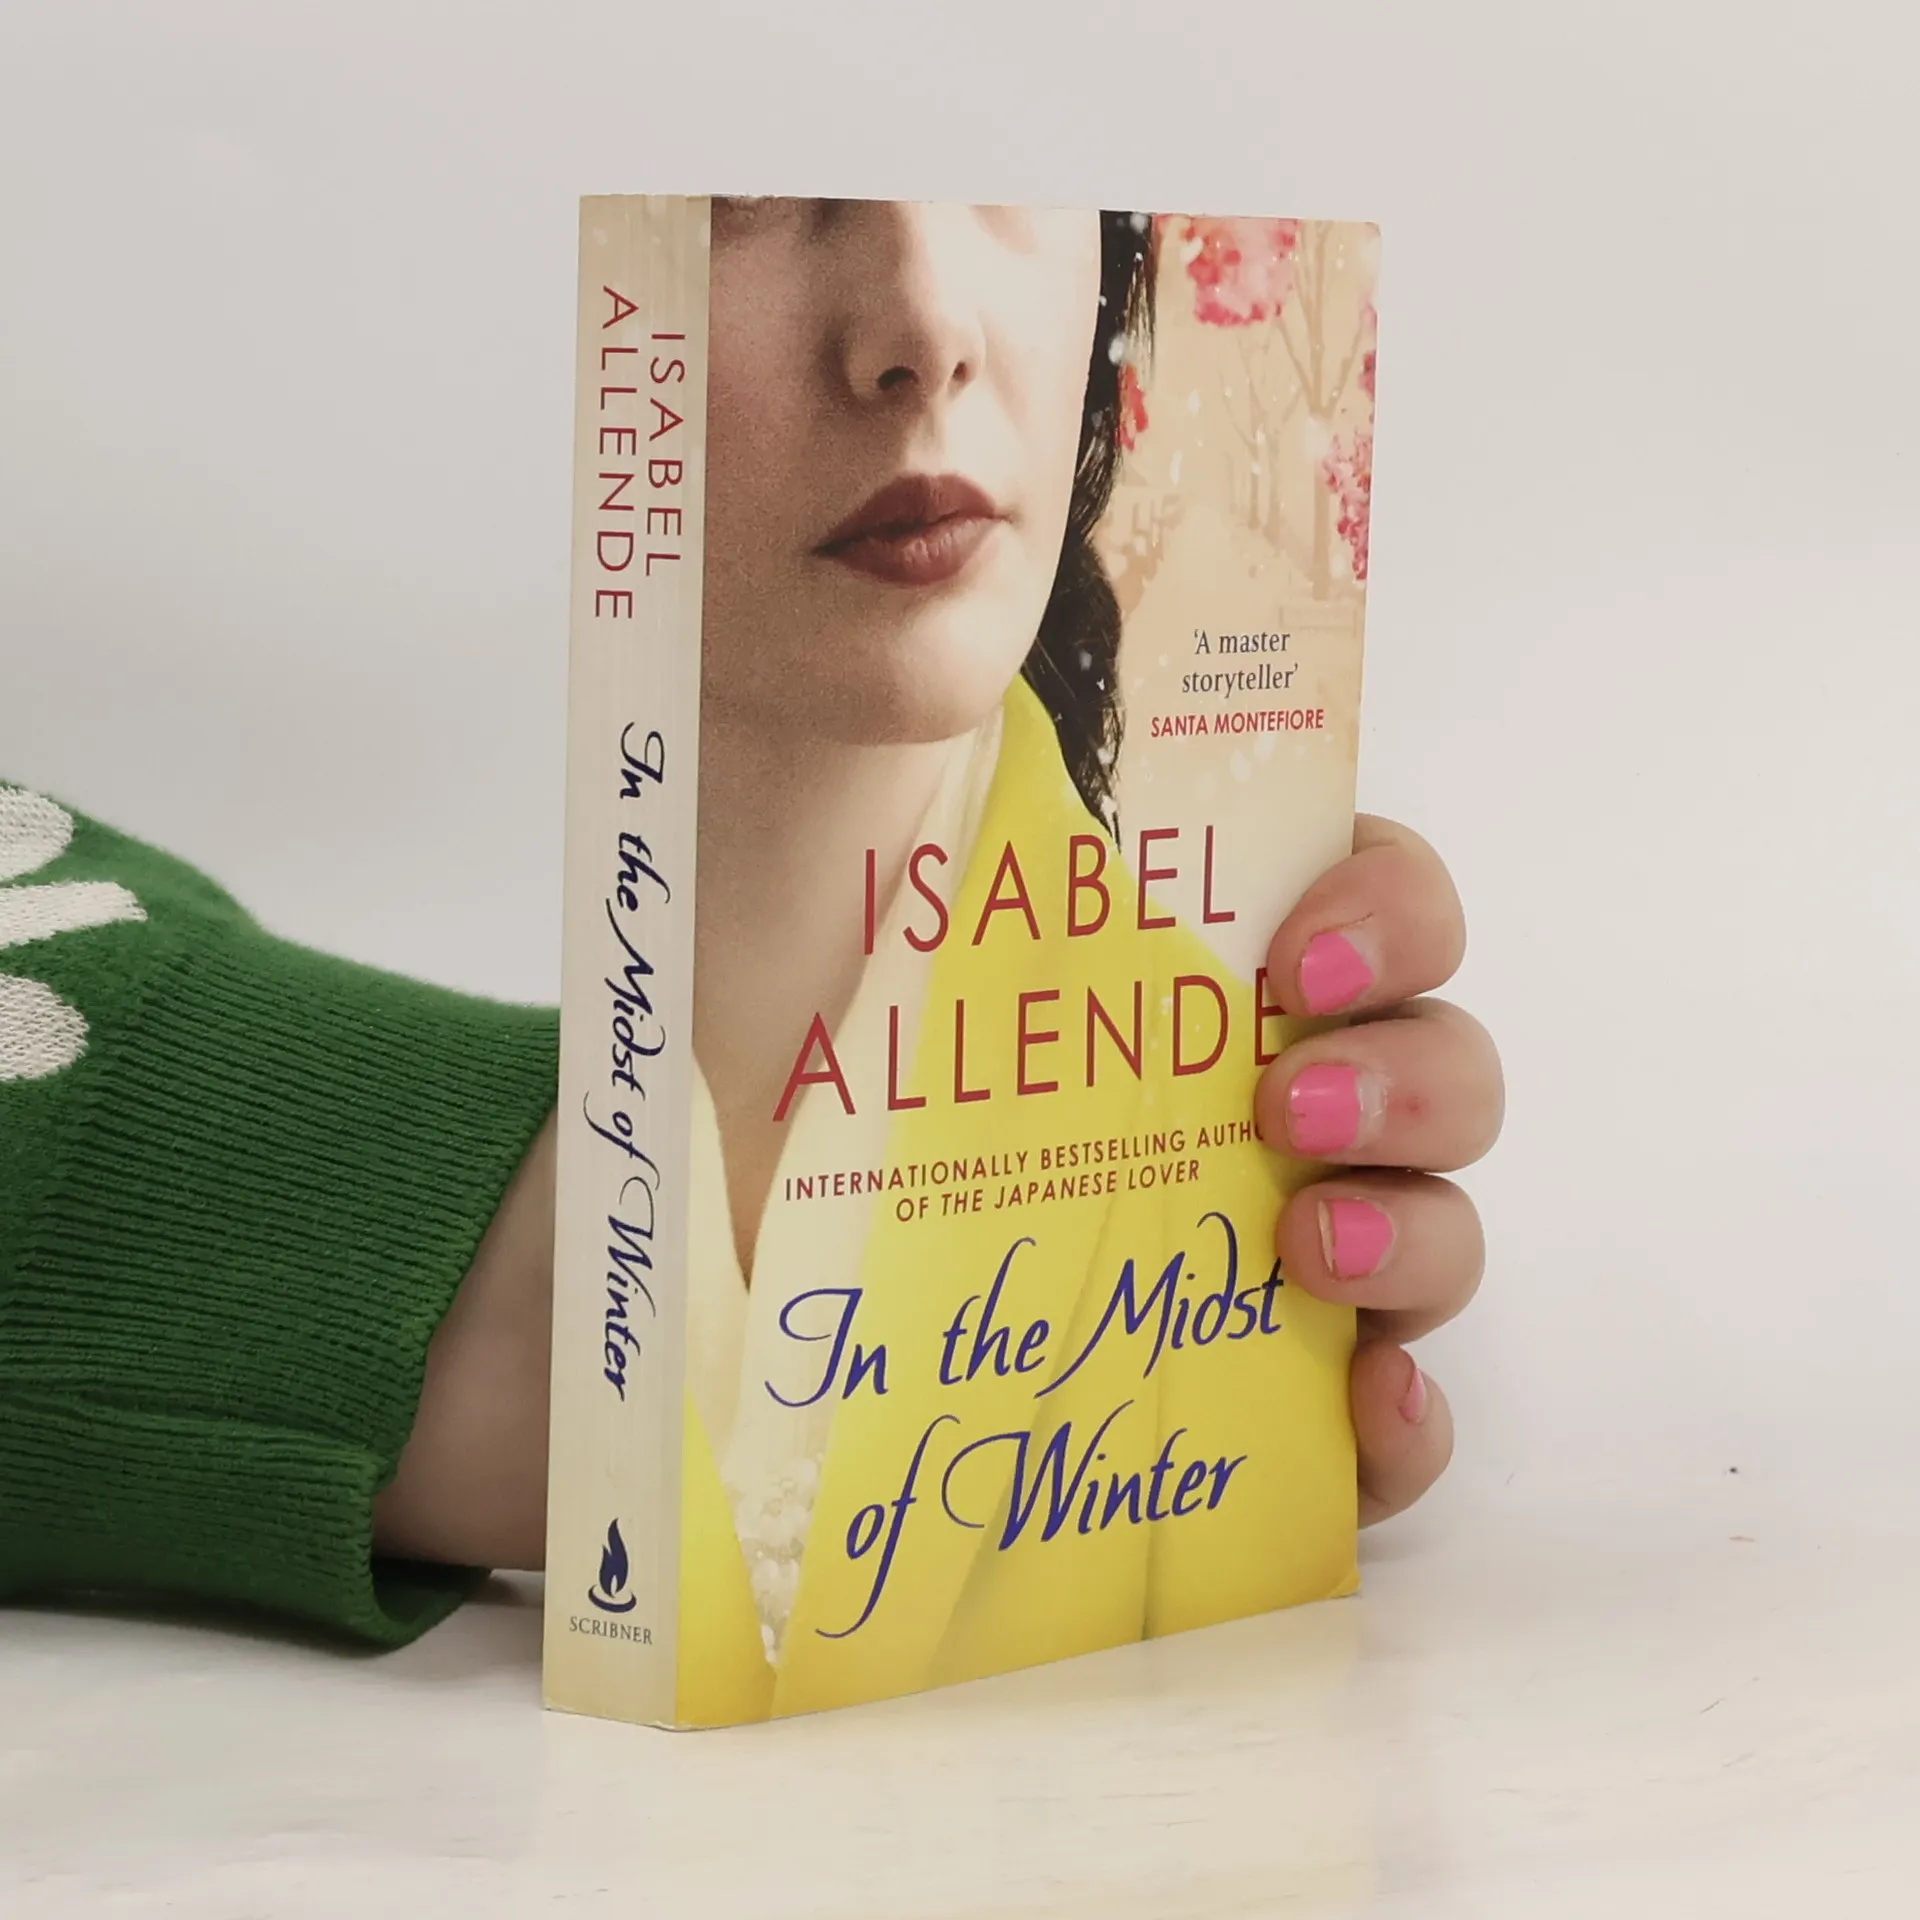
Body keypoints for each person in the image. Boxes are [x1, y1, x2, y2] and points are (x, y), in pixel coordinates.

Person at [0, 201, 1502, 1683]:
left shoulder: (1204, 1079)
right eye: (746, 207)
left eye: (1005, 191)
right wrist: (521, 1301)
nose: (922, 327)